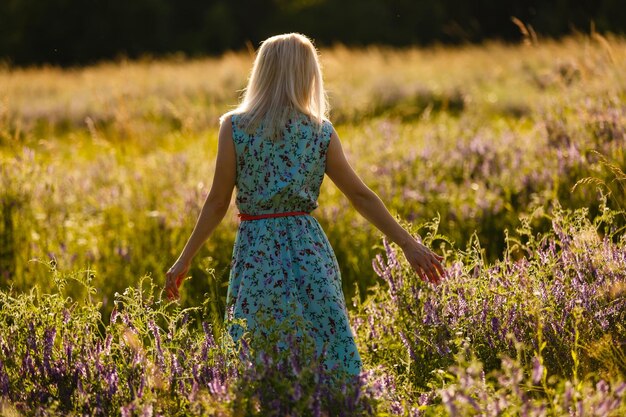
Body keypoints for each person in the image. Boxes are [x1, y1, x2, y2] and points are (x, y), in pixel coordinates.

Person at [165, 33, 445, 379]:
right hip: (309, 248)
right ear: (307, 74)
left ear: (262, 72)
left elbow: (217, 202)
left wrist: (184, 259)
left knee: (259, 345)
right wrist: (409, 244)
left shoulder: (234, 128)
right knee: (325, 344)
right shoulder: (320, 131)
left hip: (257, 251)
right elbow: (360, 196)